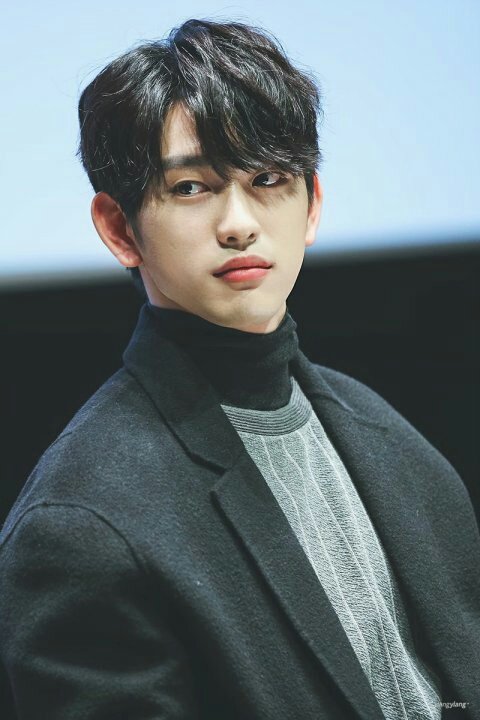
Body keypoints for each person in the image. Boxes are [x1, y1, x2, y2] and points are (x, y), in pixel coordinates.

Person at [0, 18, 479, 720]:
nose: (239, 223)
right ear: (119, 229)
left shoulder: (393, 444)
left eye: (268, 179)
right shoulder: (80, 526)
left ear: (312, 205)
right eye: (192, 187)